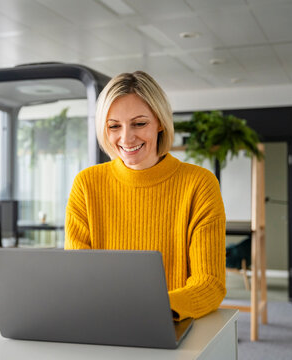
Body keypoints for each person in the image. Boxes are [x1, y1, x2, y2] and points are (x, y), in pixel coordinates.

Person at [64, 71, 226, 320]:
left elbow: (210, 283)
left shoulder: (199, 184)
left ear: (160, 122)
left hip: (169, 323)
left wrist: (152, 309)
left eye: (139, 123)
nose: (126, 138)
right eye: (114, 126)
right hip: (101, 322)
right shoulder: (86, 185)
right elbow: (77, 277)